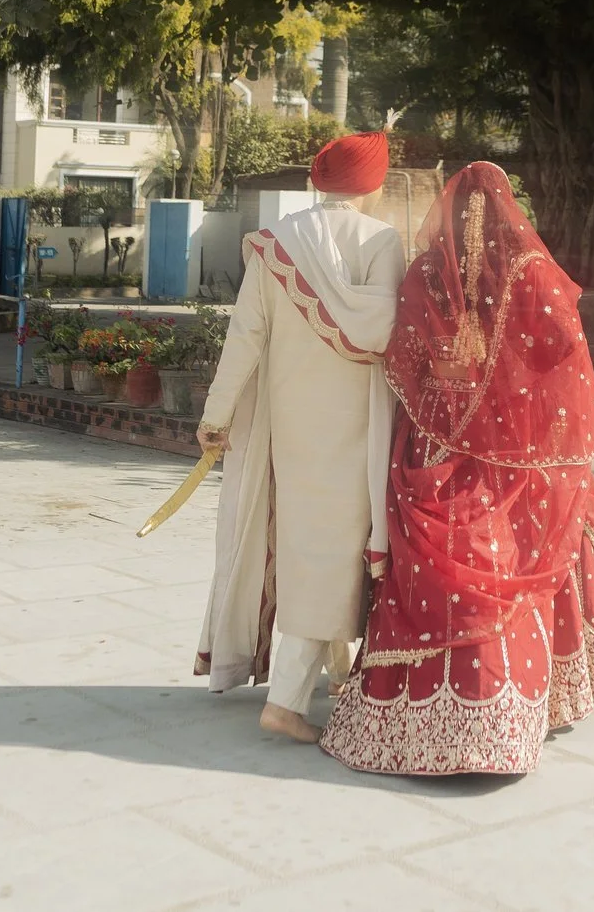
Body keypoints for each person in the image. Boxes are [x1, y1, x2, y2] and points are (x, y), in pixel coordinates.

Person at [320, 162, 594, 777]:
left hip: (435, 451)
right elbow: (566, 346)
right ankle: (516, 714)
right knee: (522, 560)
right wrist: (530, 416)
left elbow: (399, 357)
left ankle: (425, 723)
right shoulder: (530, 270)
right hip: (513, 454)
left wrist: (448, 403)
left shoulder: (425, 273)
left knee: (445, 577)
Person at [195, 131, 404, 741]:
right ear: (375, 184)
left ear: (318, 181)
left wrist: (216, 415)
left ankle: (336, 670)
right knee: (338, 553)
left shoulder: (276, 243)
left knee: (306, 544)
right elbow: (386, 331)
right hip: (355, 426)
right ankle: (285, 701)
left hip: (288, 426)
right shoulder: (382, 241)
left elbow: (244, 337)